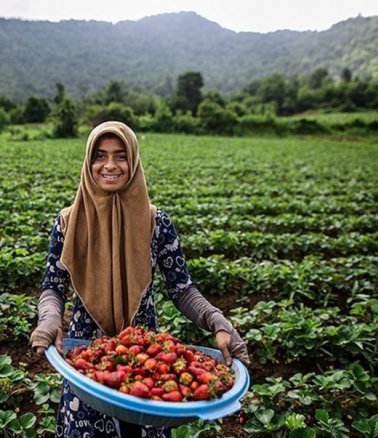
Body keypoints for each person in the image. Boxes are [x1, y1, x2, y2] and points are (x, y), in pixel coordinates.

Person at [30, 121, 249, 438]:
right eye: (100, 155)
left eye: (121, 156)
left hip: (147, 359)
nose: (110, 166)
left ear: (133, 161)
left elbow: (182, 290)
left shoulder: (155, 222)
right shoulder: (67, 222)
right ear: (88, 161)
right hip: (89, 360)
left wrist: (217, 321)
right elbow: (53, 287)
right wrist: (50, 319)